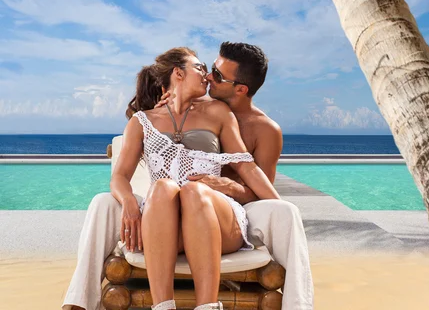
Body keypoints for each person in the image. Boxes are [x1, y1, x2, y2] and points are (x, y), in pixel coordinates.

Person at [63, 43, 313, 310]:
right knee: (161, 187)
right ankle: (157, 306)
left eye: (215, 74)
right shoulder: (144, 120)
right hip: (162, 220)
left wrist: (277, 205)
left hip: (214, 216)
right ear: (178, 73)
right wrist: (128, 201)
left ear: (240, 88)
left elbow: (245, 166)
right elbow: (120, 176)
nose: (207, 76)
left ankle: (207, 306)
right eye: (203, 68)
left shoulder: (221, 113)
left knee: (195, 191)